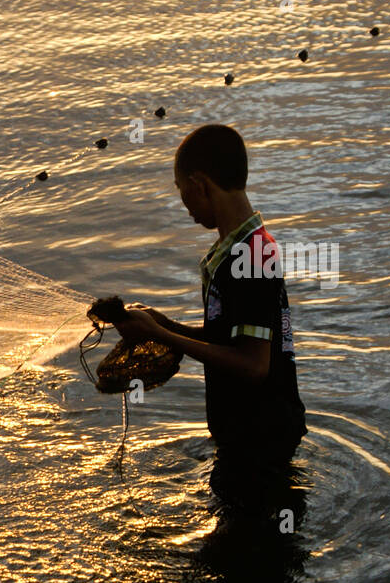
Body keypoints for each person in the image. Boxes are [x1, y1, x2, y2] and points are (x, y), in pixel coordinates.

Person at [112, 124, 307, 522]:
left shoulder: (252, 256)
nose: (184, 204)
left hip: (261, 440)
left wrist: (161, 335)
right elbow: (227, 344)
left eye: (182, 191)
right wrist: (161, 324)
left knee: (247, 561)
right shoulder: (235, 250)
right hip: (247, 436)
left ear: (200, 184)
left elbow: (254, 365)